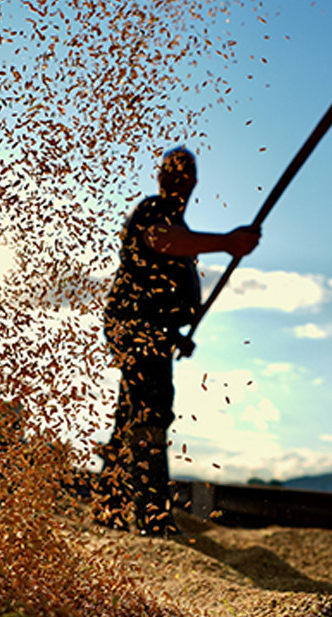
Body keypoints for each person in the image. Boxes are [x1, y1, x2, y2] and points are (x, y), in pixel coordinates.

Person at [98, 146, 260, 536]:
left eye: (186, 173)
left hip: (156, 331)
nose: (180, 179)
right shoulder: (153, 211)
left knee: (131, 417)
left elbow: (164, 285)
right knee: (151, 411)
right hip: (136, 327)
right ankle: (153, 517)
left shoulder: (182, 228)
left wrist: (177, 336)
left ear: (195, 183)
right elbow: (159, 240)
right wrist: (227, 242)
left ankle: (109, 507)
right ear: (161, 178)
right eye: (174, 172)